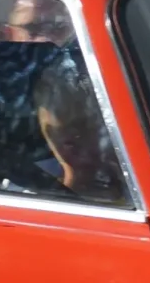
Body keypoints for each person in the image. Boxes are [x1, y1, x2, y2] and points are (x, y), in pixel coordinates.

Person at [30, 50, 122, 205]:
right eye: (70, 142)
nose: (65, 149)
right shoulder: (26, 183)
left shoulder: (134, 177)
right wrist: (73, 177)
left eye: (80, 131)